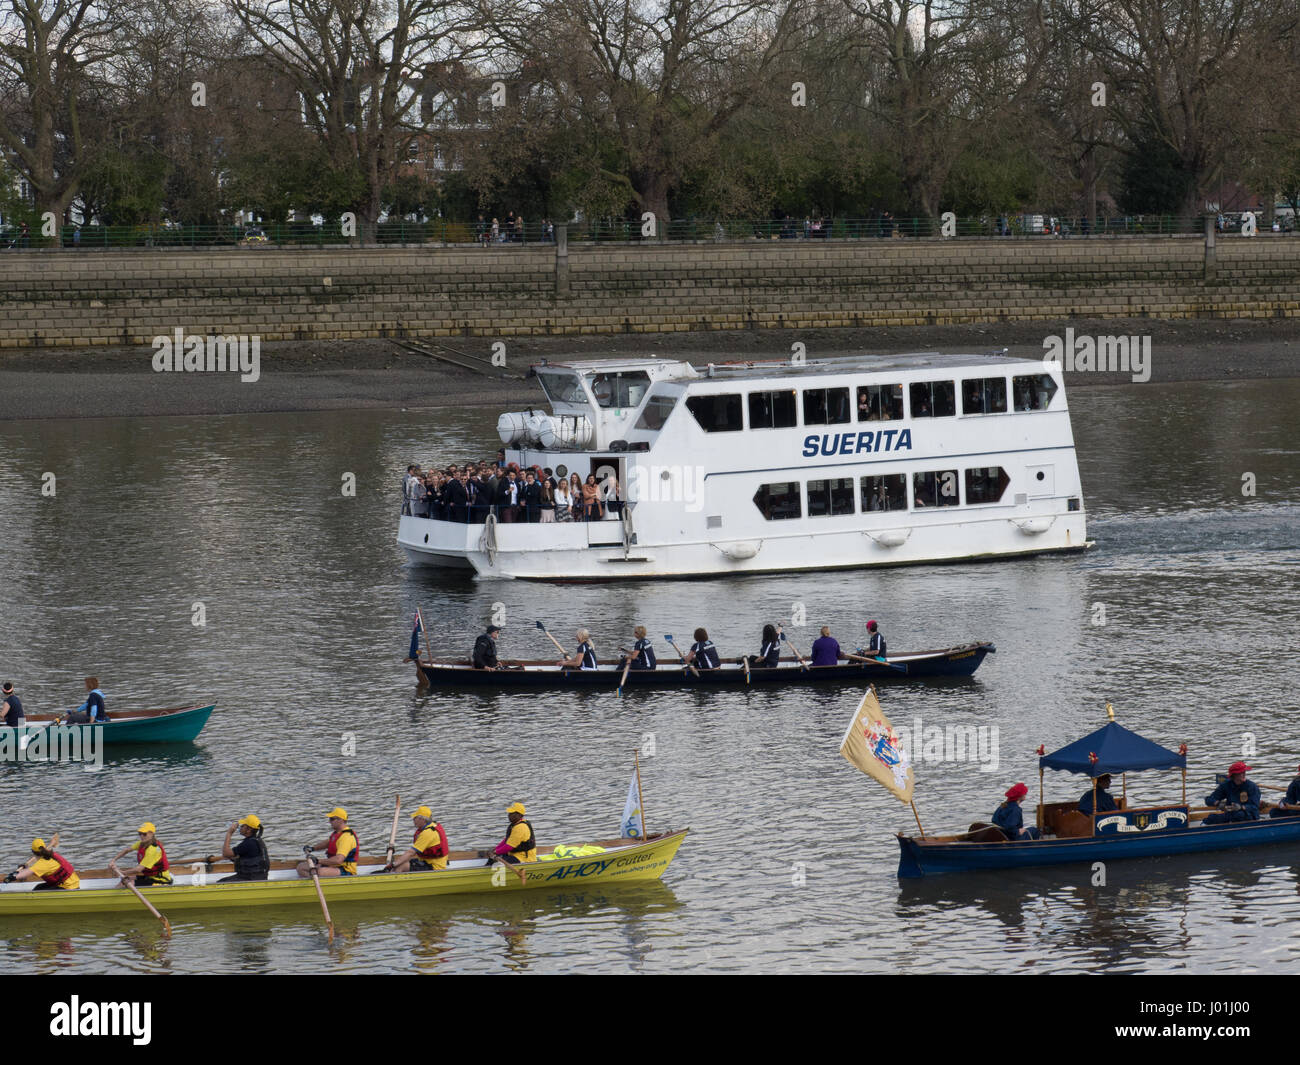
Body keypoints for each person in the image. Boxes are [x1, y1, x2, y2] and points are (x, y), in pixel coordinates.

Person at [297, 808, 359, 877]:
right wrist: (312, 848)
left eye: (332, 819)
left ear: (340, 820)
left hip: (345, 869)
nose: (329, 821)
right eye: (329, 819)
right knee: (301, 867)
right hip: (332, 865)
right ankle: (314, 885)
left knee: (320, 872)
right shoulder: (337, 833)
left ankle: (319, 883)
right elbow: (328, 843)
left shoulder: (347, 838)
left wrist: (318, 861)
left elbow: (338, 860)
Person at [388, 806, 449, 872]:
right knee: (400, 863)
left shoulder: (428, 833)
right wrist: (396, 864)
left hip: (434, 867)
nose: (413, 819)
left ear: (422, 819)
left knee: (401, 866)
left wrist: (393, 864)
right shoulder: (433, 825)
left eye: (415, 817)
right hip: (428, 862)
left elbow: (411, 853)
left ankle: (394, 880)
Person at [6, 839, 80, 890]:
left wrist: (12, 877)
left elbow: (28, 872)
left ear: (33, 852)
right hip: (74, 883)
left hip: (68, 888)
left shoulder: (42, 864)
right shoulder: (51, 855)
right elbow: (31, 870)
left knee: (38, 891)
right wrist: (23, 869)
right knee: (39, 887)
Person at [218, 815, 270, 882]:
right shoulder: (256, 840)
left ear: (249, 830)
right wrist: (233, 858)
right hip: (257, 876)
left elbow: (226, 853)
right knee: (222, 880)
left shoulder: (249, 843)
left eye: (243, 826)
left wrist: (229, 833)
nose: (240, 827)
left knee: (220, 883)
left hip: (251, 878)